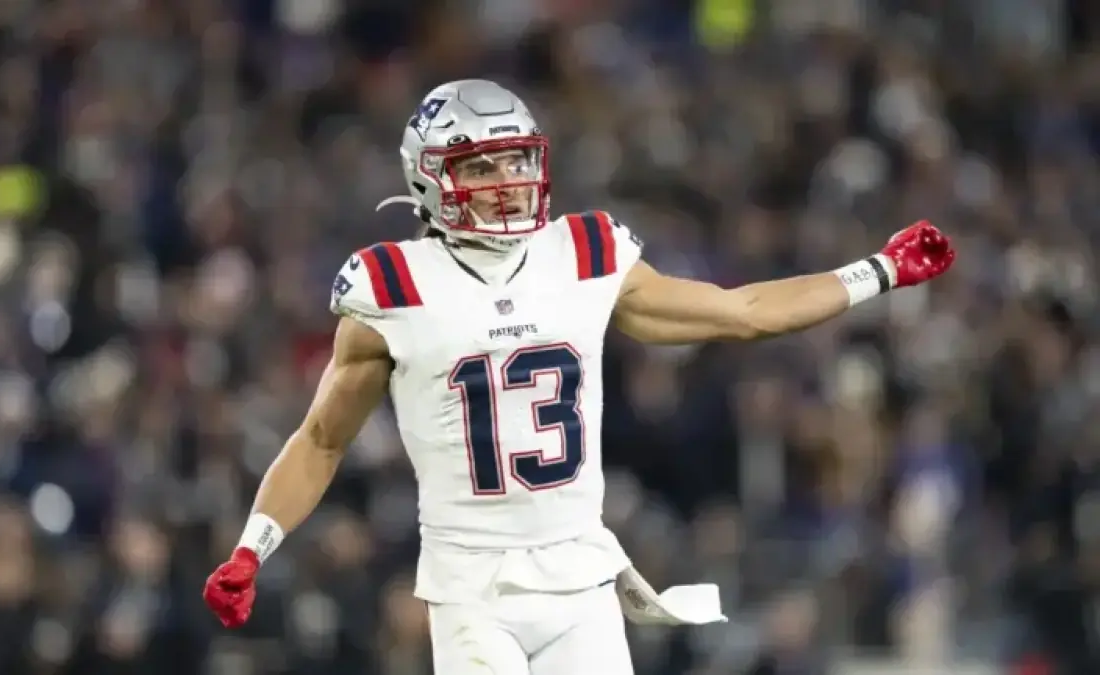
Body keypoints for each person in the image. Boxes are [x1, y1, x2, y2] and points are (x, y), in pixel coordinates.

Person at [201, 79, 956, 674]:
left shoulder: (583, 252)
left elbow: (742, 311)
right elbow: (322, 439)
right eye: (482, 165)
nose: (507, 180)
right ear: (429, 179)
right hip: (470, 589)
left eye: (516, 160)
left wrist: (879, 270)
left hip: (580, 579)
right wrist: (252, 547)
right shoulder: (391, 286)